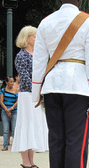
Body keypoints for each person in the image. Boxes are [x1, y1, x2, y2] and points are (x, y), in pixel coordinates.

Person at [31, 0, 89, 167]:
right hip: (77, 88)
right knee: (75, 143)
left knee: (56, 142)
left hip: (51, 87)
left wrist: (37, 95)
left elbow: (38, 63)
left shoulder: (45, 22)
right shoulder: (88, 21)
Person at [12, 26, 48, 168]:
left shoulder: (36, 54)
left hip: (35, 94)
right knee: (26, 125)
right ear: (27, 39)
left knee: (33, 126)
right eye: (34, 36)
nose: (36, 39)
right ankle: (26, 162)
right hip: (27, 95)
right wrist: (37, 91)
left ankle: (31, 161)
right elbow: (25, 77)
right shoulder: (21, 55)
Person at [0, 76, 18, 151]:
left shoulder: (16, 90)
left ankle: (15, 146)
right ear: (7, 82)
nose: (12, 83)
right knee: (6, 130)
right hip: (5, 111)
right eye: (10, 82)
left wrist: (11, 109)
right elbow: (1, 101)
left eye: (13, 81)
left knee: (14, 129)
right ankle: (5, 145)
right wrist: (7, 110)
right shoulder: (3, 90)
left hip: (14, 111)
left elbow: (18, 101)